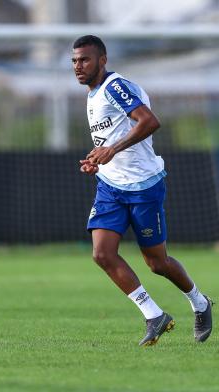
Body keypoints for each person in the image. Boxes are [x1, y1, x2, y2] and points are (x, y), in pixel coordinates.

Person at [72, 35, 213, 346]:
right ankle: (154, 315)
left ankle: (200, 303)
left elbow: (149, 121)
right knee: (102, 253)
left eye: (84, 60)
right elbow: (111, 136)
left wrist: (111, 149)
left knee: (157, 263)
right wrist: (98, 157)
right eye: (75, 61)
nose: (78, 66)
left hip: (143, 187)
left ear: (102, 60)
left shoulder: (114, 86)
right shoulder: (94, 92)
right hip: (110, 185)